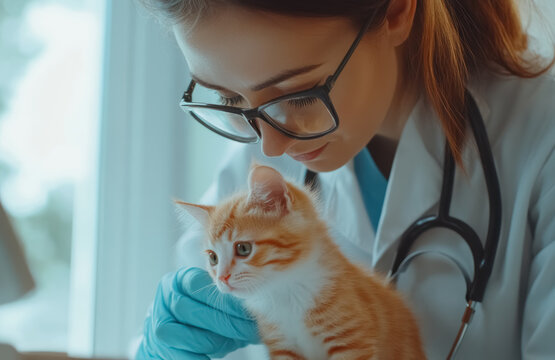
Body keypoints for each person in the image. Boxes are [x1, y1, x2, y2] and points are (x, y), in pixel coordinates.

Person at [135, 0, 555, 358]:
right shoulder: (255, 161)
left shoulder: (539, 137)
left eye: (299, 94)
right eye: (229, 99)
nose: (271, 146)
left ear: (395, 11)